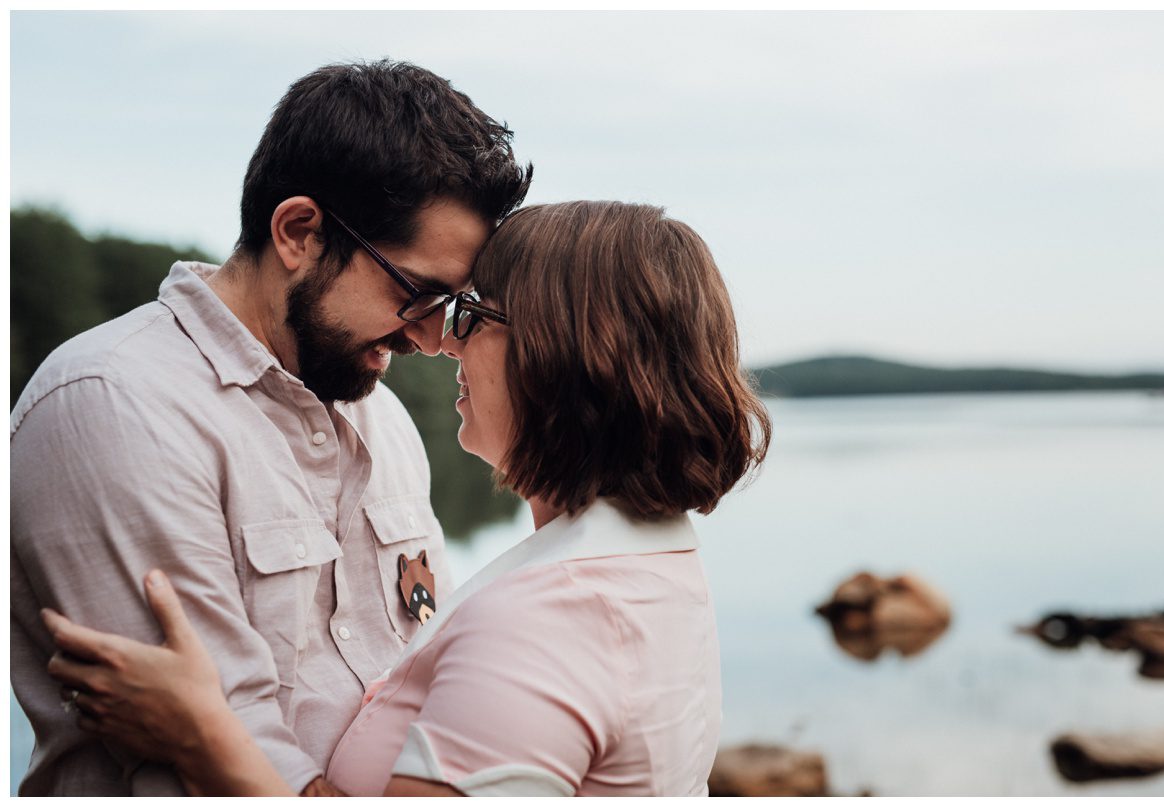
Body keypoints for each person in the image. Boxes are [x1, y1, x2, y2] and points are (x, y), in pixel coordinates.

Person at [42, 201, 772, 796]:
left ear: (566, 357)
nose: (442, 342)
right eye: (423, 295)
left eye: (472, 316)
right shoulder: (655, 563)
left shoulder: (548, 618)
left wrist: (204, 738)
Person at [10, 60, 531, 796]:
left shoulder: (382, 418)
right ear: (298, 232)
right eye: (416, 292)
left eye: (448, 305)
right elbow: (211, 754)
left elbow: (427, 680)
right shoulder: (112, 405)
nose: (428, 338)